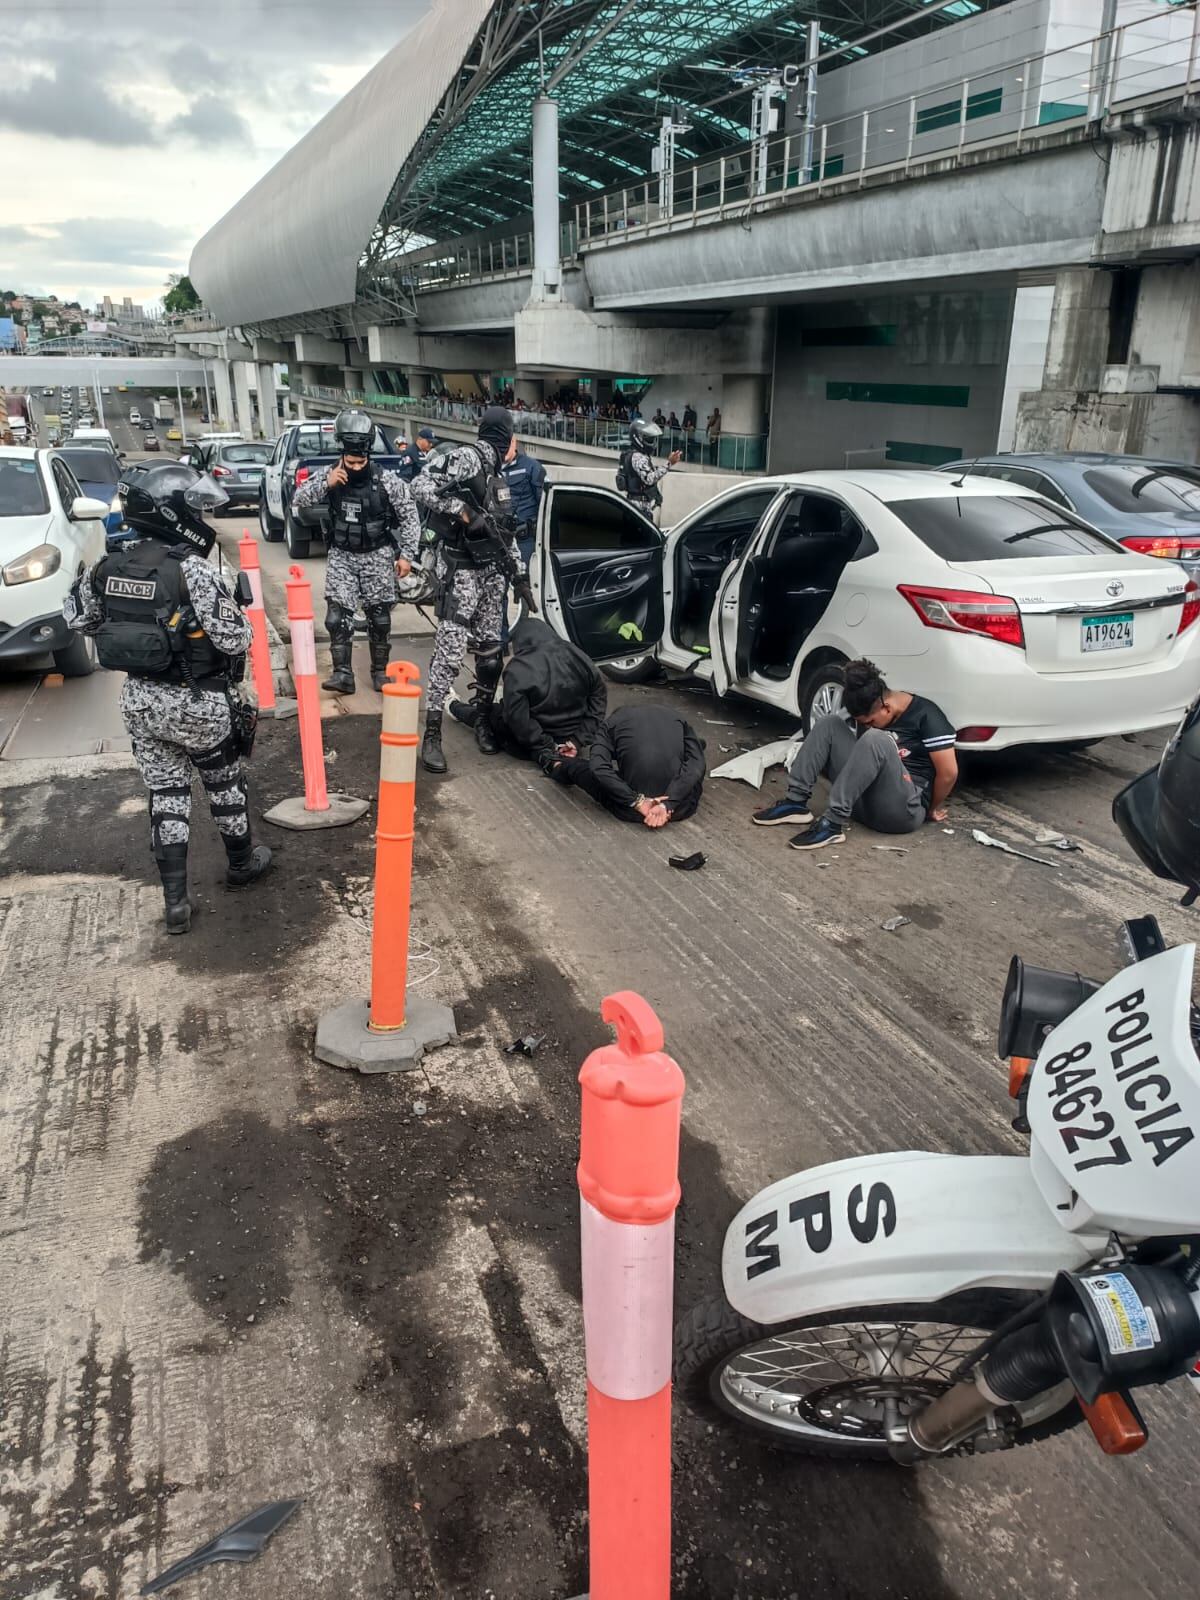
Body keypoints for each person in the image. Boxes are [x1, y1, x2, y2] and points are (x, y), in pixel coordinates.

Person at [62, 462, 270, 934]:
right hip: (199, 703)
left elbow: (78, 619)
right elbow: (236, 638)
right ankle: (241, 865)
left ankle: (175, 903)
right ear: (172, 511)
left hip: (141, 702)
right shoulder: (190, 568)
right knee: (223, 785)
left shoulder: (109, 566)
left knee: (167, 794)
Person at [409, 405, 535, 773]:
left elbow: (504, 533)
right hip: (462, 570)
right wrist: (462, 511)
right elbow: (419, 485)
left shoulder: (499, 477)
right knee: (449, 653)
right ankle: (432, 734)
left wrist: (519, 576)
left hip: (492, 574)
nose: (513, 445)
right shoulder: (467, 458)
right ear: (504, 438)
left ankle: (482, 720)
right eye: (512, 438)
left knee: (491, 653)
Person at [753, 657, 957, 850]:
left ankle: (832, 824)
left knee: (875, 738)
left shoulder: (927, 715)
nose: (867, 726)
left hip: (901, 812)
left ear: (886, 708)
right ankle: (795, 802)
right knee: (829, 723)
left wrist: (930, 809)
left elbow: (949, 773)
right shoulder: (876, 714)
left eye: (870, 721)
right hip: (862, 802)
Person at [291, 407, 420, 694]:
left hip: (377, 554)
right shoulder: (330, 474)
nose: (356, 466)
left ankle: (379, 672)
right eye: (351, 462)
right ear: (342, 454)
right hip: (342, 556)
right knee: (337, 617)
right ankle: (343, 674)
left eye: (361, 461)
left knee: (379, 618)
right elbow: (298, 499)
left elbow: (410, 515)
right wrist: (327, 484)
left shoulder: (385, 480)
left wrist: (407, 555)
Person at [451, 615, 606, 762]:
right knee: (509, 703)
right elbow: (599, 698)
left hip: (531, 744)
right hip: (573, 739)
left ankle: (452, 705)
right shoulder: (577, 654)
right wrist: (578, 740)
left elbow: (518, 721)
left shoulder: (517, 669)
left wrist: (548, 745)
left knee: (486, 714)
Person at [552, 704, 705, 827]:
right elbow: (696, 764)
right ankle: (694, 746)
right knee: (695, 761)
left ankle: (557, 766)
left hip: (631, 810)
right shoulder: (677, 717)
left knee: (582, 768)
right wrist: (668, 804)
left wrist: (637, 801)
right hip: (680, 808)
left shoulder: (610, 724)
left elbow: (598, 767)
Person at [499, 439, 547, 649]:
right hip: (500, 540)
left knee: (526, 589)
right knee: (498, 590)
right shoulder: (491, 468)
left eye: (506, 444)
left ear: (514, 442)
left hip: (525, 540)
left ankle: (526, 643)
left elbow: (545, 503)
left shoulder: (532, 467)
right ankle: (500, 641)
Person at [617, 419, 681, 518]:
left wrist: (656, 494)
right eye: (649, 439)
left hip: (634, 505)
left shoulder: (632, 454)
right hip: (639, 508)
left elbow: (645, 476)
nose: (652, 442)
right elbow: (650, 479)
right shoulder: (638, 457)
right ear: (638, 438)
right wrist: (669, 463)